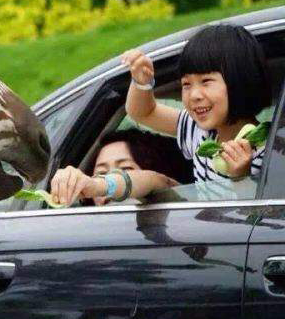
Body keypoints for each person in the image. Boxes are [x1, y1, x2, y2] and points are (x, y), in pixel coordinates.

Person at [124, 24, 271, 183]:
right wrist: (141, 82)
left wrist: (241, 176)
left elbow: (257, 208)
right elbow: (143, 113)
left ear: (240, 81)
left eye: (206, 81)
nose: (194, 95)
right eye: (186, 84)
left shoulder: (267, 151)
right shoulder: (197, 130)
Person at [49, 129, 189, 206]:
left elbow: (154, 180)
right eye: (101, 173)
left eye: (126, 169)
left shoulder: (174, 197)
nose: (110, 177)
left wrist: (99, 185)